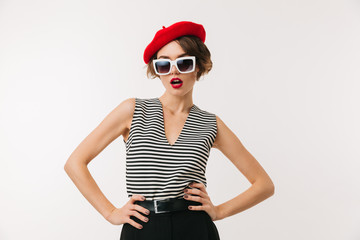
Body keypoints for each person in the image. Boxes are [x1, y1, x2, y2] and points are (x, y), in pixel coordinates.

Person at [64, 20, 275, 240]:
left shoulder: (210, 124)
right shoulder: (133, 110)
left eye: (184, 63)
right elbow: (75, 163)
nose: (173, 71)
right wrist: (110, 212)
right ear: (157, 71)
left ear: (199, 67)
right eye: (164, 65)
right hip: (142, 226)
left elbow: (264, 185)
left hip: (194, 227)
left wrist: (219, 211)